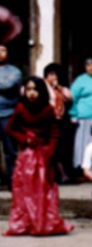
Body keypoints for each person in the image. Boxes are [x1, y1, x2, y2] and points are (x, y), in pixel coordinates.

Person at [4, 77, 74, 236]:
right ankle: (25, 222)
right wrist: (24, 139)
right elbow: (10, 129)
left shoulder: (48, 109)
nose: (31, 93)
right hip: (27, 155)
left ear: (41, 91)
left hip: (43, 154)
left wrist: (49, 151)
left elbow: (54, 132)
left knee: (43, 188)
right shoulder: (21, 108)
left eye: (35, 89)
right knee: (25, 189)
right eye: (28, 89)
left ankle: (43, 221)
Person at [43, 63, 73, 183]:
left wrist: (58, 88)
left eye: (55, 75)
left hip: (59, 120)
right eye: (50, 75)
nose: (53, 77)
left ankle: (62, 175)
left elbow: (69, 97)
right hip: (47, 121)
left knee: (61, 148)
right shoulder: (42, 86)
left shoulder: (61, 88)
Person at [0, 44, 22, 189]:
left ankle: (12, 181)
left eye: (2, 50)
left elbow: (7, 85)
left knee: (10, 150)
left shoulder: (14, 71)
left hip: (7, 114)